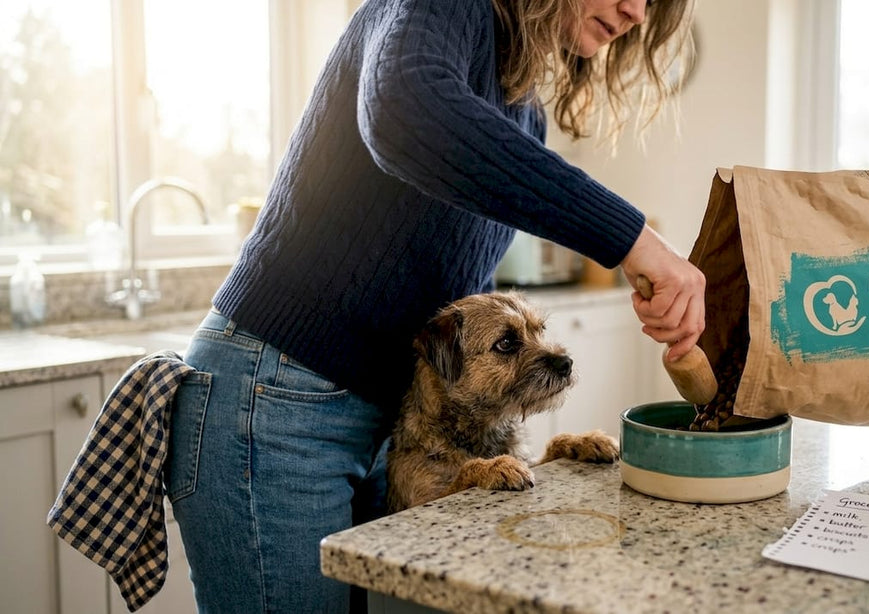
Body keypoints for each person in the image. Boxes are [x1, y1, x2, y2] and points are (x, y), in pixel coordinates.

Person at [170, 0, 704, 611]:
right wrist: (630, 239)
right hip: (275, 399)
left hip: (387, 422)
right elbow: (405, 110)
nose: (636, 10)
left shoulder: (524, 109)